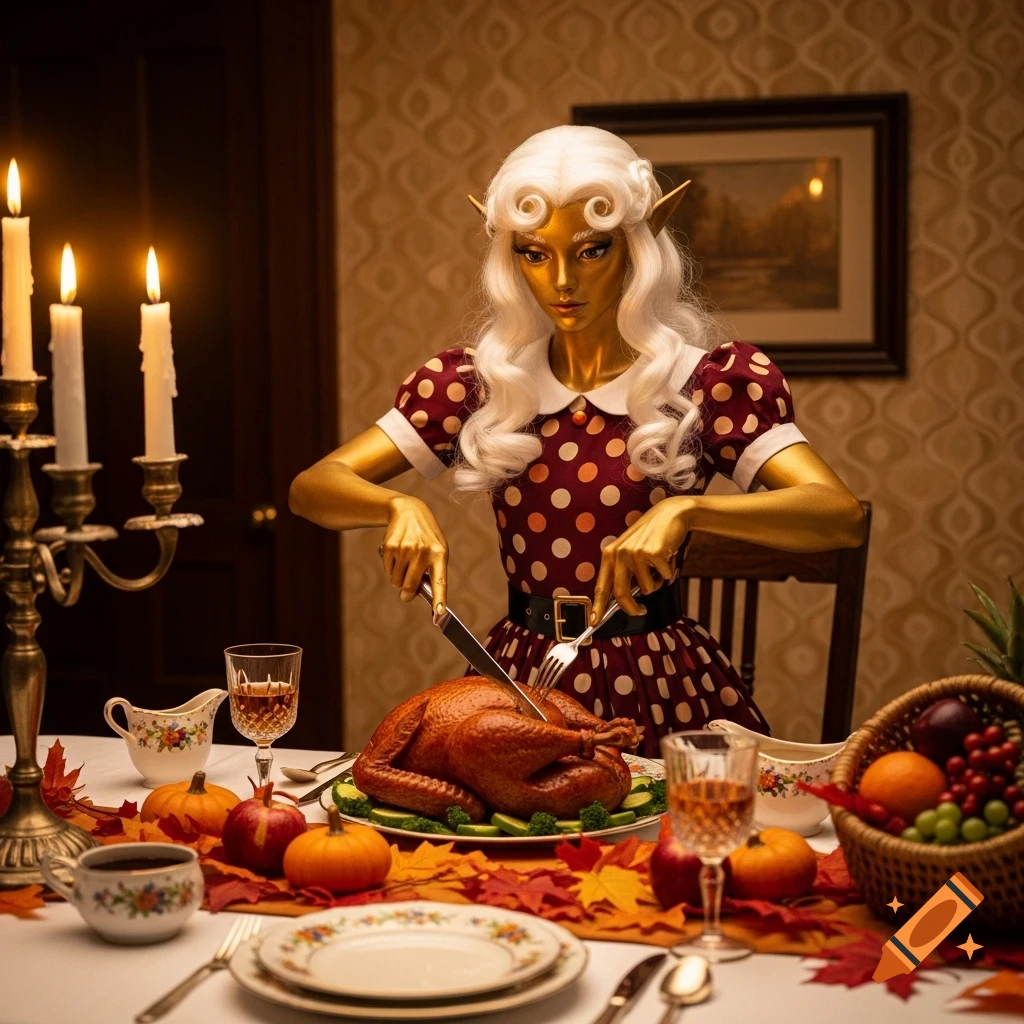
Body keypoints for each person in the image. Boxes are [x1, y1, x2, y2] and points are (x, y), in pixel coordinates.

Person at [290, 125, 866, 756]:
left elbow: (837, 517)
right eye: (535, 254)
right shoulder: (482, 384)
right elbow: (312, 488)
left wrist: (689, 508)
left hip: (658, 679)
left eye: (591, 251)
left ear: (637, 251)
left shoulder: (705, 383)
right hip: (521, 678)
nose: (562, 280)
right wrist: (396, 505)